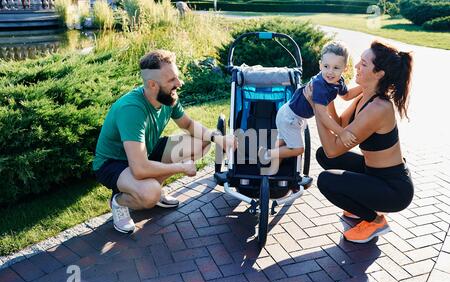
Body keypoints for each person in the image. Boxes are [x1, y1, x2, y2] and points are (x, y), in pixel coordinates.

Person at [93, 49, 235, 234]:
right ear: (152, 84)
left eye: (177, 77)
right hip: (113, 163)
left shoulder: (168, 97)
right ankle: (119, 201)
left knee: (201, 142)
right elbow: (140, 168)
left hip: (144, 152)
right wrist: (182, 168)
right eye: (171, 80)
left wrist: (219, 138)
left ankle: (153, 188)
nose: (179, 83)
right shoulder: (132, 109)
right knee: (149, 193)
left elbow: (189, 124)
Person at [304, 40, 414, 243]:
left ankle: (375, 221)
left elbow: (333, 149)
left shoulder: (378, 108)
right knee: (321, 155)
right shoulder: (365, 96)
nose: (356, 66)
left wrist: (316, 105)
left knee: (326, 180)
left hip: (393, 189)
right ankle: (362, 203)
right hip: (373, 173)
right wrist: (326, 95)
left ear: (379, 73)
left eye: (363, 64)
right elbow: (339, 125)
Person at [258, 41, 362, 174]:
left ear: (345, 69)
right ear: (320, 65)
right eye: (326, 66)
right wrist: (341, 132)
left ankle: (271, 167)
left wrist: (364, 88)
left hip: (291, 114)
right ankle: (267, 154)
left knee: (284, 142)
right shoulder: (320, 85)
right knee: (298, 149)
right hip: (290, 117)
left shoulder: (338, 81)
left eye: (336, 68)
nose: (330, 72)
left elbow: (346, 96)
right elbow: (322, 114)